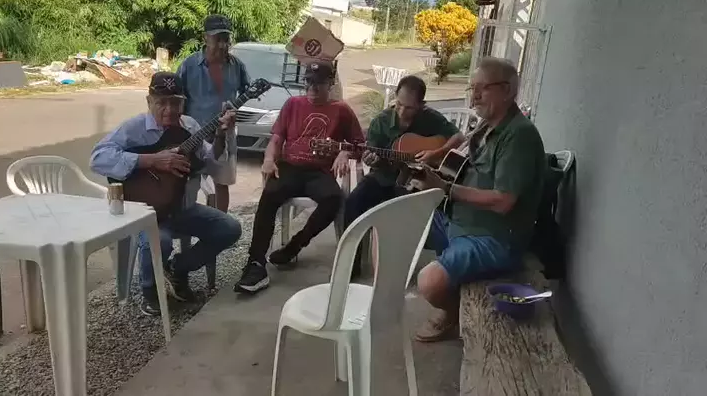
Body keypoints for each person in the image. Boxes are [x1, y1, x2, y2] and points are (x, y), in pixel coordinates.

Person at [410, 57, 546, 342]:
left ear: (506, 90)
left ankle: (453, 313)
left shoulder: (519, 136)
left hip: (494, 238)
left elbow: (503, 201)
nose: (473, 97)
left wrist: (445, 188)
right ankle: (382, 299)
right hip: (459, 219)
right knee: (396, 222)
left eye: (481, 89)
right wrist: (433, 166)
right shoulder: (487, 126)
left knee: (429, 282)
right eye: (471, 89)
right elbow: (460, 154)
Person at [90, 72, 243, 316]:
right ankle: (150, 292)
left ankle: (177, 268)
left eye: (175, 102)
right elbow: (98, 158)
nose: (169, 109)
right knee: (159, 240)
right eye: (161, 102)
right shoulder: (134, 128)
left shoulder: (189, 126)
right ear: (149, 101)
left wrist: (221, 134)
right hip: (146, 213)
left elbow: (210, 160)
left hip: (183, 209)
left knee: (230, 229)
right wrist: (152, 160)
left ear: (183, 103)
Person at [234, 61, 365, 294]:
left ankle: (296, 244)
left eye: (319, 83)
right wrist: (269, 159)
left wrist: (344, 153)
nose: (312, 88)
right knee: (269, 195)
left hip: (319, 172)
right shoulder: (293, 104)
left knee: (334, 199)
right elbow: (276, 139)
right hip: (290, 167)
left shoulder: (341, 110)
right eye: (309, 82)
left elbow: (359, 144)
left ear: (330, 84)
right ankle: (255, 263)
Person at [343, 75, 466, 279]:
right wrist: (372, 159)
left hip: (416, 183)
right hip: (383, 178)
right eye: (399, 104)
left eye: (409, 108)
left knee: (417, 213)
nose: (401, 111)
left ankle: (412, 268)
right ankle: (350, 267)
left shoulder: (430, 118)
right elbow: (371, 156)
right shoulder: (381, 122)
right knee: (353, 202)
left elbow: (459, 137)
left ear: (421, 105)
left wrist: (435, 153)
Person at [176, 14, 251, 212]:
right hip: (193, 134)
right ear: (205, 38)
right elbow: (177, 98)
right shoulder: (188, 65)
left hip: (224, 133)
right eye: (217, 39)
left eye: (226, 39)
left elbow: (247, 90)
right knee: (188, 180)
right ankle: (183, 218)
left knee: (221, 182)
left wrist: (234, 111)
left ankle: (221, 222)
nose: (222, 45)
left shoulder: (237, 66)